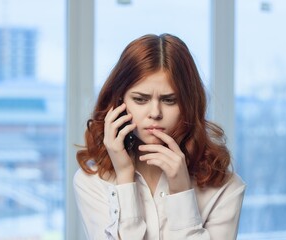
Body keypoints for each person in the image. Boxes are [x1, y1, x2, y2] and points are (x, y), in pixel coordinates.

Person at [73, 33, 246, 240]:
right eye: (140, 99)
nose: (155, 113)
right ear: (119, 102)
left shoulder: (226, 188)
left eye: (170, 100)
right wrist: (125, 177)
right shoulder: (92, 182)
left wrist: (181, 192)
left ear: (188, 105)